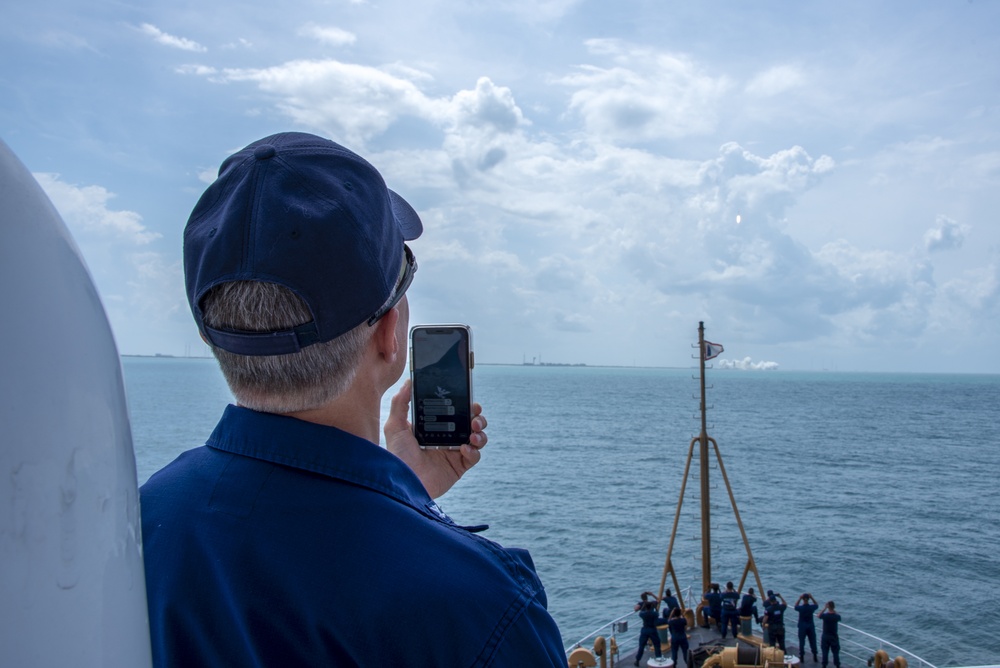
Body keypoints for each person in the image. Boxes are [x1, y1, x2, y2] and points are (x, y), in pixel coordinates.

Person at [139, 132, 565, 667]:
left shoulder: (134, 529)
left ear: (208, 335)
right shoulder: (483, 609)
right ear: (390, 334)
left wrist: (404, 490)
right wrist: (409, 512)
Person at [634, 592, 664, 666]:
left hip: (645, 629)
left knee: (641, 646)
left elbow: (636, 610)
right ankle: (658, 658)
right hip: (653, 629)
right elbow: (658, 600)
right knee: (657, 644)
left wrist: (642, 606)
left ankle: (637, 660)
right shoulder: (654, 613)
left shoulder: (642, 614)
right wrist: (652, 594)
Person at [795, 593, 820, 662]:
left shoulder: (801, 608)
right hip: (810, 626)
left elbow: (795, 606)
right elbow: (816, 605)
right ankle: (815, 655)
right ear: (808, 599)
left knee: (802, 642)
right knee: (813, 641)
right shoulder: (811, 608)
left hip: (802, 626)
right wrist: (812, 597)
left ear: (803, 600)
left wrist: (799, 598)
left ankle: (802, 656)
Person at [819, 601, 842, 668]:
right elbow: (839, 617)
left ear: (828, 607)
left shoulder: (825, 616)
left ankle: (824, 665)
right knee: (835, 652)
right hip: (834, 636)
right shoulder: (836, 616)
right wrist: (834, 611)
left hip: (825, 636)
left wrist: (824, 608)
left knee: (825, 651)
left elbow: (818, 615)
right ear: (834, 607)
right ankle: (837, 665)